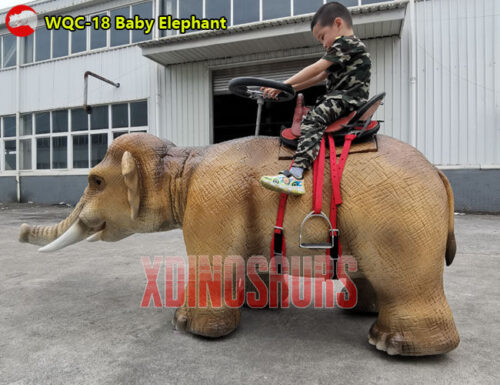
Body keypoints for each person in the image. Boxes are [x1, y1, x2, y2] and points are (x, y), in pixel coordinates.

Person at [260, 1, 371, 195]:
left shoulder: (346, 44)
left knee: (312, 120)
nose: (324, 44)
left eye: (322, 37)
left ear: (338, 24)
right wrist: (288, 90)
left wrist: (283, 84)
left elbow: (316, 68)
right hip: (341, 98)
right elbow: (320, 77)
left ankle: (295, 175)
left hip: (346, 99)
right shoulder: (345, 49)